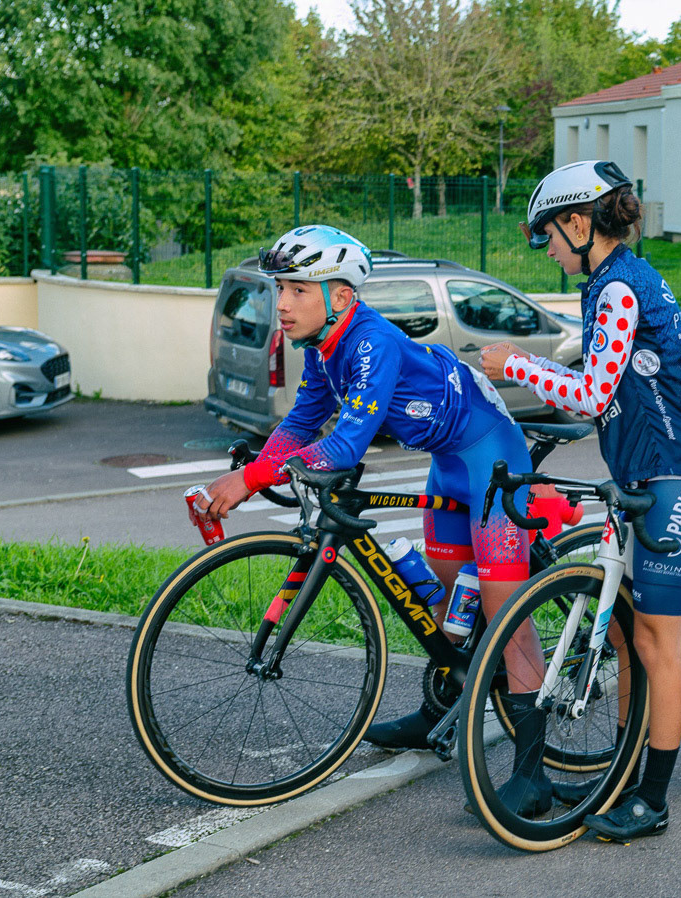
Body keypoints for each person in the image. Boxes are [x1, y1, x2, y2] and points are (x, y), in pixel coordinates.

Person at [192, 224, 554, 814]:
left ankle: (532, 775)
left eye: (297, 290)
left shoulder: (371, 343)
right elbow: (301, 425)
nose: (282, 303)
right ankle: (441, 707)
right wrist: (256, 468)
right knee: (449, 602)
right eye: (280, 289)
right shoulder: (323, 348)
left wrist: (250, 481)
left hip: (491, 459)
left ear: (340, 297)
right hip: (449, 464)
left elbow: (344, 447)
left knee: (506, 615)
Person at [480, 161, 681, 841]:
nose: (547, 250)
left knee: (653, 640)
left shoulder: (619, 288)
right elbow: (605, 385)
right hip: (646, 476)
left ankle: (653, 799)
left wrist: (515, 364)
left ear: (579, 222)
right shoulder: (612, 282)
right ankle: (622, 778)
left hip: (676, 474)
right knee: (623, 634)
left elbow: (592, 392)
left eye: (548, 235)